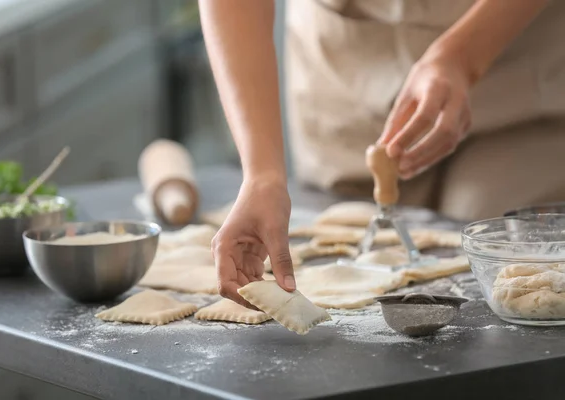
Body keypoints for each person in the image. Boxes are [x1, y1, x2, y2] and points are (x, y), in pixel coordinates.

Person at [198, 0, 563, 306]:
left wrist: (463, 56)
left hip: (515, 67)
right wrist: (262, 174)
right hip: (344, 70)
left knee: (505, 264)